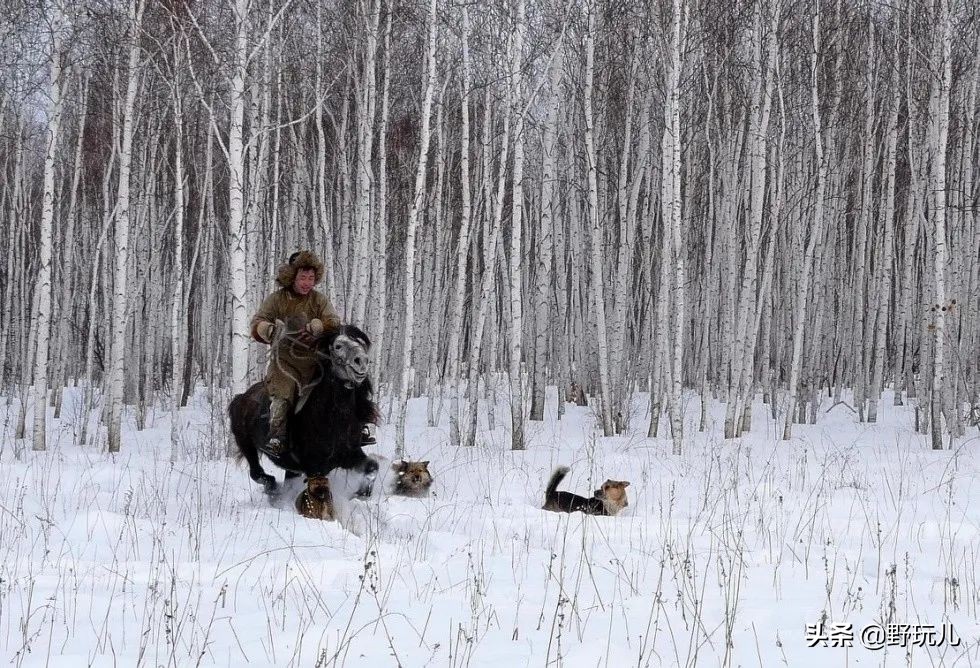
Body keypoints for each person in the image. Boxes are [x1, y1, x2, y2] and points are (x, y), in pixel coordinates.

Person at [250, 250, 375, 454]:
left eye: (311, 278)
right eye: (302, 277)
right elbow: (257, 322)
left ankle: (357, 428)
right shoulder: (277, 300)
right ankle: (277, 436)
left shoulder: (319, 300)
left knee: (347, 383)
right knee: (283, 393)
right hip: (286, 362)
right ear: (292, 277)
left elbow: (334, 322)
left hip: (317, 360)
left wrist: (319, 325)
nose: (307, 282)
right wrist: (268, 329)